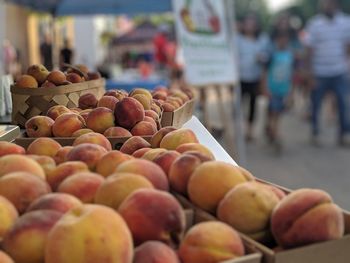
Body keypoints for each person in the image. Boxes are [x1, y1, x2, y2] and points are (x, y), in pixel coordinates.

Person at [305, 0, 350, 146]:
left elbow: (348, 47)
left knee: (343, 104)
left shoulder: (345, 22)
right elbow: (309, 51)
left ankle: (344, 134)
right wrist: (310, 74)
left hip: (339, 71)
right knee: (315, 104)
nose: (327, 5)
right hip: (319, 72)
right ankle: (315, 132)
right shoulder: (314, 24)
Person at [237, 14, 269, 141]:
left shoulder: (262, 40)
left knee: (253, 105)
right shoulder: (237, 39)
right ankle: (240, 129)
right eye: (247, 23)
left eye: (252, 23)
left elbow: (267, 55)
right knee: (238, 105)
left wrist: (262, 57)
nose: (249, 26)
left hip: (255, 78)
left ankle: (249, 131)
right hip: (240, 77)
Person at [265, 32, 295, 151]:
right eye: (281, 38)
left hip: (284, 90)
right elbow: (265, 72)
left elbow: (292, 74)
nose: (283, 41)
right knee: (273, 112)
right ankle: (276, 135)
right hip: (273, 89)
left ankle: (272, 131)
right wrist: (265, 88)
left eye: (285, 39)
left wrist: (291, 92)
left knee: (278, 114)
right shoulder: (272, 54)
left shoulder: (290, 55)